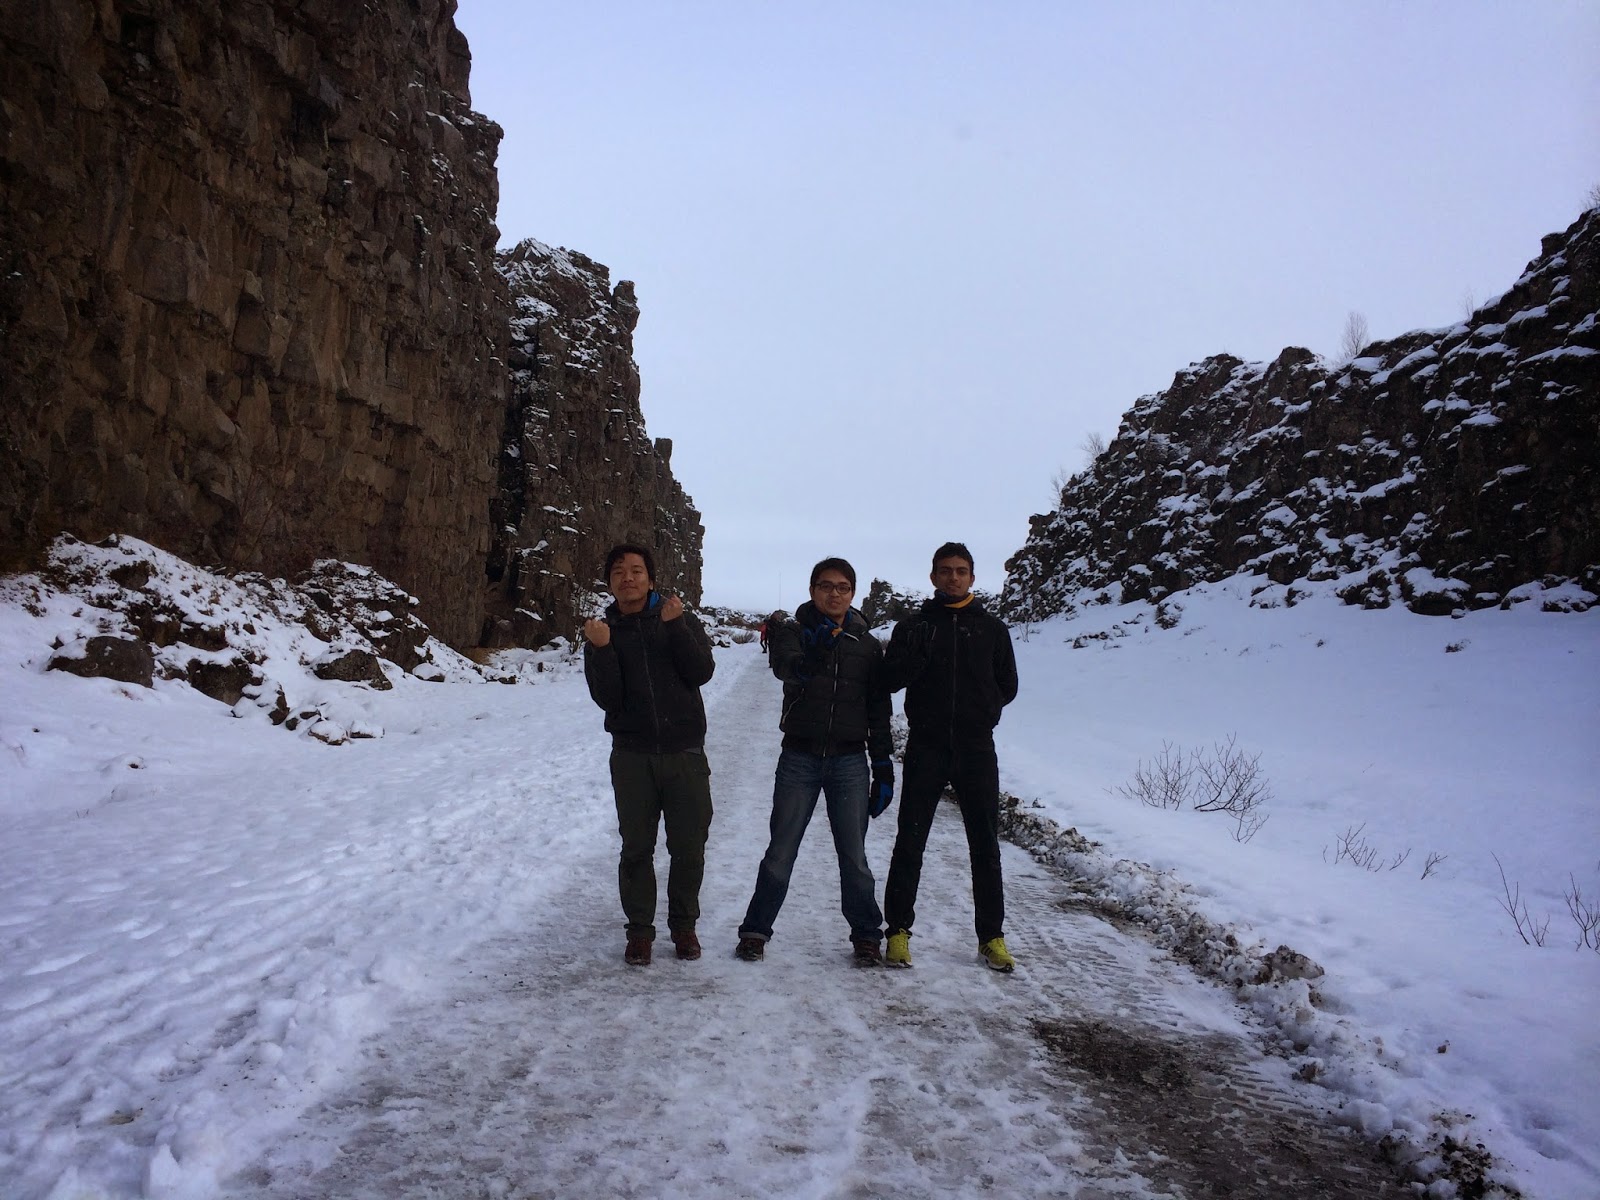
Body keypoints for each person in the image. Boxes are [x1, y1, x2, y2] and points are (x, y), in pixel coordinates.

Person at [736, 558, 895, 966]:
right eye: (826, 586)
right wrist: (813, 656)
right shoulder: (794, 632)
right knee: (781, 849)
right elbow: (785, 668)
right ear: (812, 590)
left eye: (843, 587)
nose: (834, 594)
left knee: (854, 856)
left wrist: (883, 766)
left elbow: (878, 709)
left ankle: (866, 935)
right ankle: (755, 930)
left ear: (853, 593)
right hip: (800, 757)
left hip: (849, 761)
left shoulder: (866, 645)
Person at [881, 542, 1019, 972]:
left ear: (972, 577)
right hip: (927, 745)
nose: (953, 577)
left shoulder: (993, 629)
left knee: (985, 845)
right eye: (945, 570)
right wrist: (915, 657)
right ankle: (897, 932)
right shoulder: (913, 627)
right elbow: (889, 679)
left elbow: (1008, 685)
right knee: (910, 841)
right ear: (933, 577)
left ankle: (991, 937)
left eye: (960, 571)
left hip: (977, 749)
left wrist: (983, 709)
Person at [583, 543, 716, 966]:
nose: (628, 578)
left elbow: (701, 672)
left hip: (685, 753)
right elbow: (608, 699)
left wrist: (675, 628)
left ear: (651, 579)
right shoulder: (602, 631)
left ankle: (684, 926)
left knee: (689, 847)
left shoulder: (679, 618)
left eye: (636, 570)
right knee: (636, 848)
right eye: (618, 572)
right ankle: (639, 930)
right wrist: (603, 650)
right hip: (632, 756)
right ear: (609, 583)